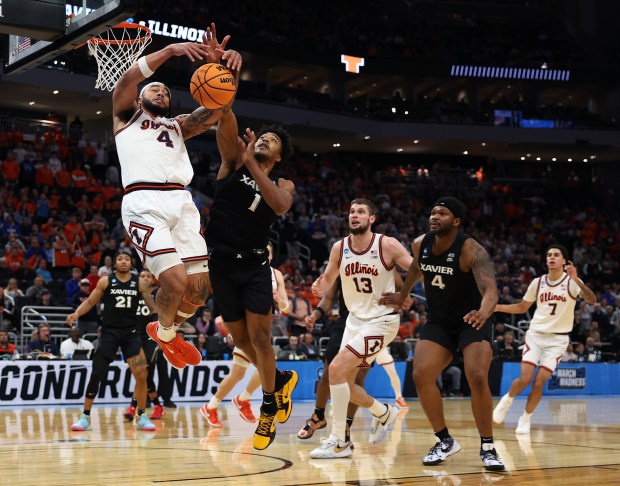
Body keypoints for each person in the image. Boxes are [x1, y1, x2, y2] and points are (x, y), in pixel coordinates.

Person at [112, 23, 242, 370]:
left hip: (181, 202)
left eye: (166, 92)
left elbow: (217, 108)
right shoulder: (126, 117)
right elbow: (125, 81)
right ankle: (167, 334)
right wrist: (170, 51)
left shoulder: (178, 126)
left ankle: (164, 331)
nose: (161, 93)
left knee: (199, 289)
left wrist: (224, 70)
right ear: (141, 97)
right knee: (174, 280)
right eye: (154, 89)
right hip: (143, 201)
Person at [380, 196, 504, 471]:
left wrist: (483, 313)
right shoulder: (420, 244)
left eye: (443, 213)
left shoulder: (471, 249)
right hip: (440, 321)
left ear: (456, 222)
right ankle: (444, 441)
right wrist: (402, 294)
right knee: (421, 373)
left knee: (477, 375)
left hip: (472, 319)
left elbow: (491, 291)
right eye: (433, 212)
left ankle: (488, 446)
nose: (435, 216)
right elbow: (415, 269)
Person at [206, 96, 297, 450]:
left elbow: (280, 204)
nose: (263, 140)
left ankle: (269, 408)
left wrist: (254, 164)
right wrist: (224, 96)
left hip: (256, 265)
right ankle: (281, 379)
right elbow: (225, 123)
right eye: (261, 137)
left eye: (271, 142)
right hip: (222, 264)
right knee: (241, 343)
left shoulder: (283, 184)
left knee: (260, 340)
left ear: (277, 158)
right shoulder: (232, 163)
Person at [308, 198, 413, 459]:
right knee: (341, 379)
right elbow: (330, 276)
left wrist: (403, 294)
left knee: (335, 369)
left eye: (361, 212)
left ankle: (338, 440)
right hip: (355, 321)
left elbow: (416, 268)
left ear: (371, 218)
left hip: (381, 320)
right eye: (352, 211)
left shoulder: (386, 244)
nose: (355, 215)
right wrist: (320, 283)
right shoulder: (339, 247)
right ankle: (382, 412)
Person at [493, 245, 596, 434]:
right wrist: (497, 307)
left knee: (539, 382)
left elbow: (592, 300)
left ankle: (525, 418)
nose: (552, 258)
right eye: (549, 255)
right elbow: (522, 307)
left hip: (558, 340)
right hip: (536, 335)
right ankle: (507, 399)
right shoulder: (538, 282)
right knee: (524, 379)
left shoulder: (572, 282)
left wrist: (577, 281)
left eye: (556, 255)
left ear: (565, 261)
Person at [199, 242, 289, 428]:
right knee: (266, 365)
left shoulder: (276, 274)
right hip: (246, 326)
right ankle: (242, 399)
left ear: (270, 255)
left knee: (238, 374)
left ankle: (212, 406)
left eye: (269, 252)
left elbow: (287, 306)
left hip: (263, 327)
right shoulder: (245, 270)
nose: (265, 253)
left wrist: (279, 300)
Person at [67, 250, 156, 432]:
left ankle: (141, 415)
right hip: (109, 333)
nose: (123, 261)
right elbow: (91, 302)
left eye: (127, 259)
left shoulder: (140, 283)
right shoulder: (105, 281)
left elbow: (152, 307)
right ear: (115, 264)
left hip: (131, 333)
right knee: (97, 373)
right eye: (119, 259)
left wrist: (165, 324)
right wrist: (76, 313)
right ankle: (85, 417)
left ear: (131, 264)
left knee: (141, 374)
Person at [124, 269, 170, 421]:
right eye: (141, 276)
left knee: (146, 368)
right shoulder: (132, 294)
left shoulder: (158, 296)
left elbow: (164, 316)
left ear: (152, 280)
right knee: (141, 374)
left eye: (147, 276)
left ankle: (132, 407)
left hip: (152, 337)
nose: (144, 278)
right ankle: (157, 405)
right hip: (135, 337)